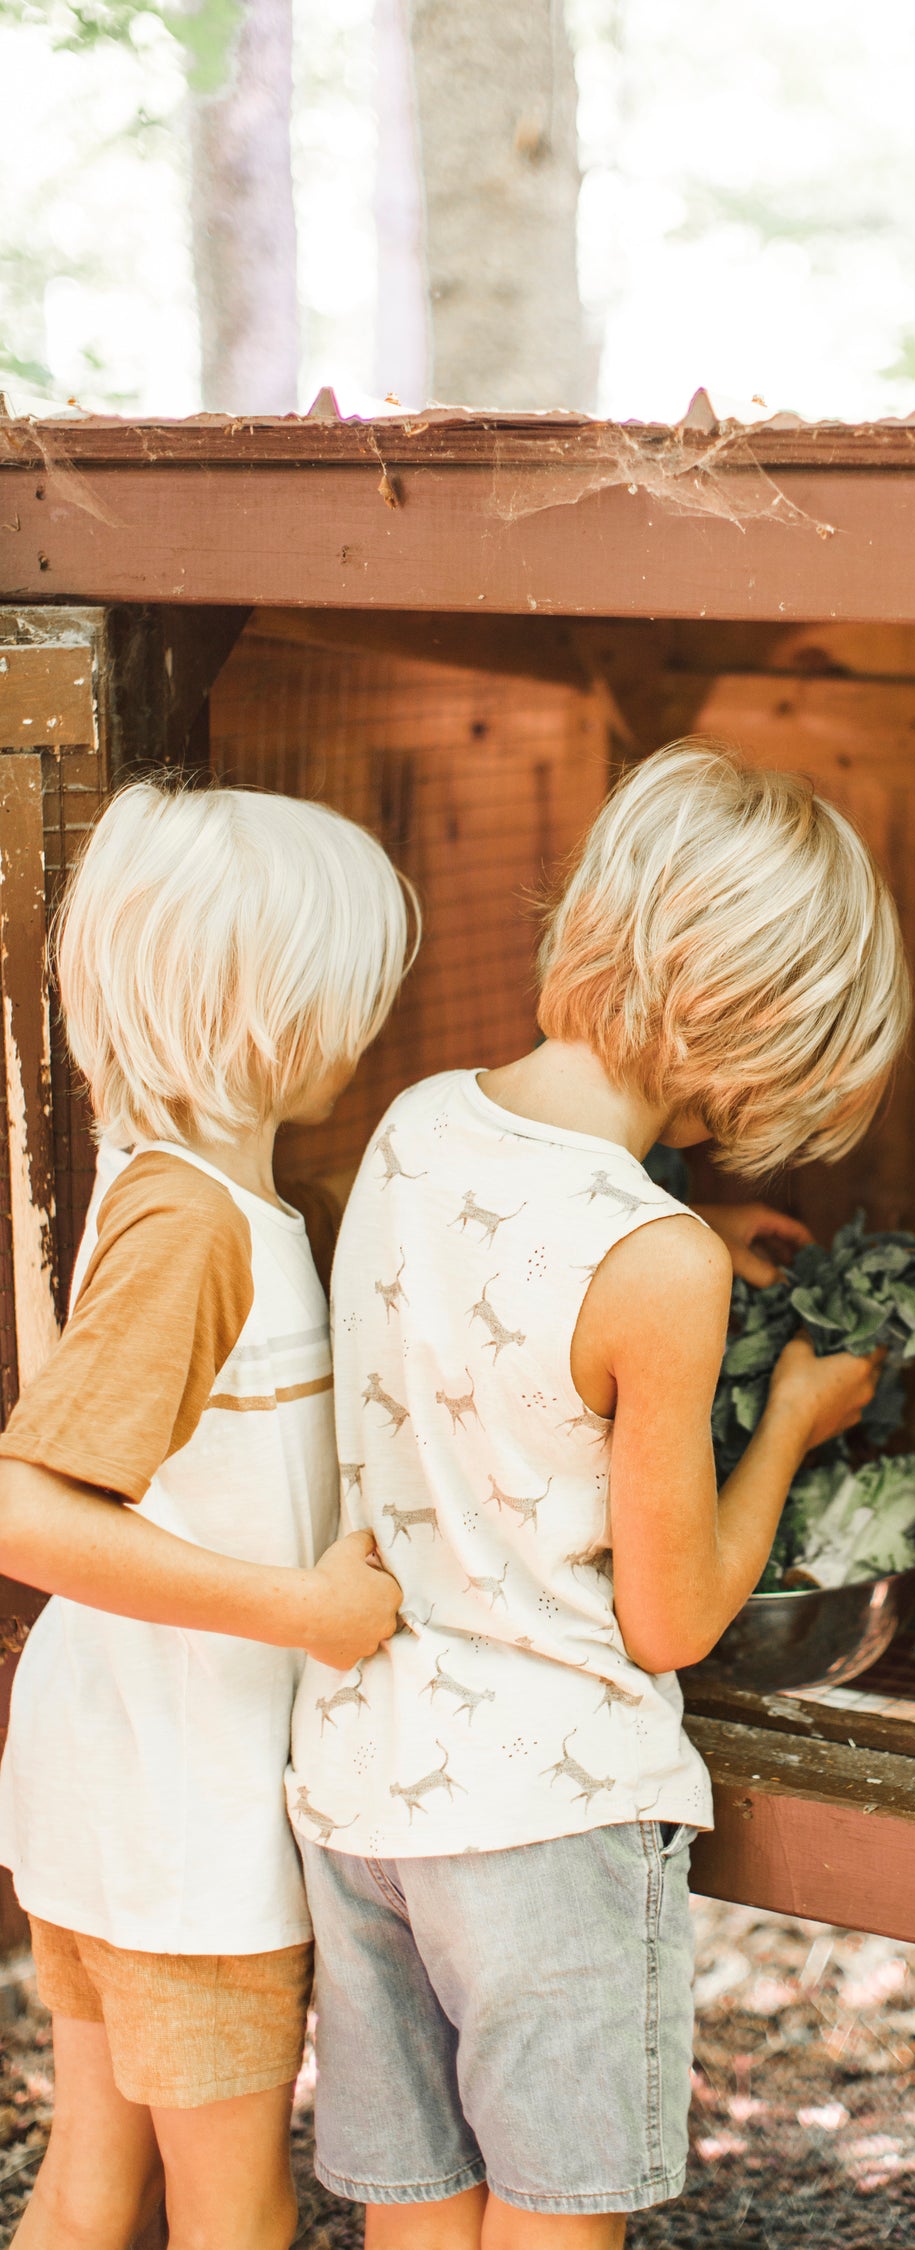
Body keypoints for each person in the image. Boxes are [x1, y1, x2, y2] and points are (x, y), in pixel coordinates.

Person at [289, 741, 912, 2249]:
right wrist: (790, 1420)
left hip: (366, 1784)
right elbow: (671, 1618)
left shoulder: (413, 1124)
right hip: (548, 1817)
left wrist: (684, 1223)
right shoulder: (661, 1266)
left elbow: (513, 1286)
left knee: (417, 2212)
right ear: (756, 1023)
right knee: (556, 2217)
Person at [0, 783, 413, 2250]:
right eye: (349, 989)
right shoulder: (194, 1230)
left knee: (94, 2180)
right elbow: (25, 1514)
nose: (370, 1021)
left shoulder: (202, 1197)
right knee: (235, 2209)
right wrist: (306, 1609)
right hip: (186, 1822)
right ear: (263, 1017)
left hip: (119, 1783)